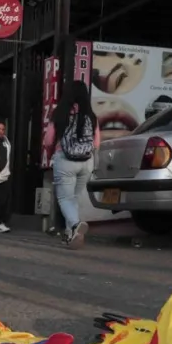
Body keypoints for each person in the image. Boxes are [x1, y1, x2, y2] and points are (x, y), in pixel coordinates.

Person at [45, 79, 100, 248]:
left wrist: (50, 153)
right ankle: (70, 235)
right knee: (73, 199)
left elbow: (48, 140)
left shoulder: (60, 112)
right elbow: (97, 143)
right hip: (86, 162)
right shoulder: (90, 114)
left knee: (64, 198)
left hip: (65, 159)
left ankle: (75, 225)